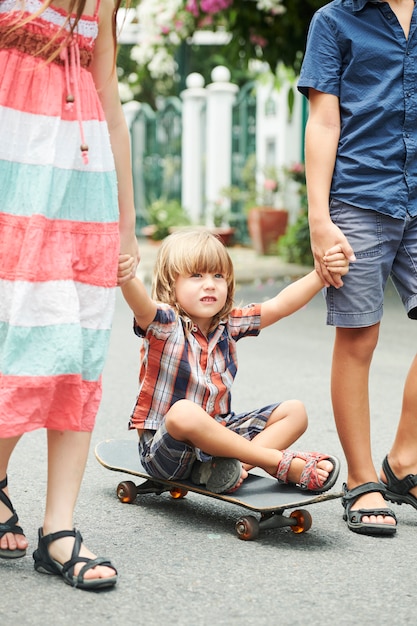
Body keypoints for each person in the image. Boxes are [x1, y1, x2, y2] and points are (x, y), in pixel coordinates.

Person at [0, 0, 140, 589]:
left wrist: (128, 224)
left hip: (81, 193)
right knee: (13, 342)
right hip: (12, 181)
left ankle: (59, 530)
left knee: (74, 349)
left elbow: (109, 104)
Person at [298, 0, 417, 536]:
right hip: (359, 197)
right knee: (359, 338)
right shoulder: (335, 20)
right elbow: (324, 120)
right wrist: (319, 220)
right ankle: (362, 478)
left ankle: (405, 459)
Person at [117, 229, 348, 496]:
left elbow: (280, 305)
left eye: (218, 276)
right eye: (196, 275)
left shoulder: (229, 323)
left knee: (295, 412)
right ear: (171, 284)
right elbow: (141, 305)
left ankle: (230, 468)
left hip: (217, 439)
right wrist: (126, 277)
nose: (210, 284)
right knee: (183, 412)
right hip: (167, 452)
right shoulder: (165, 323)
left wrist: (321, 276)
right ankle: (275, 462)